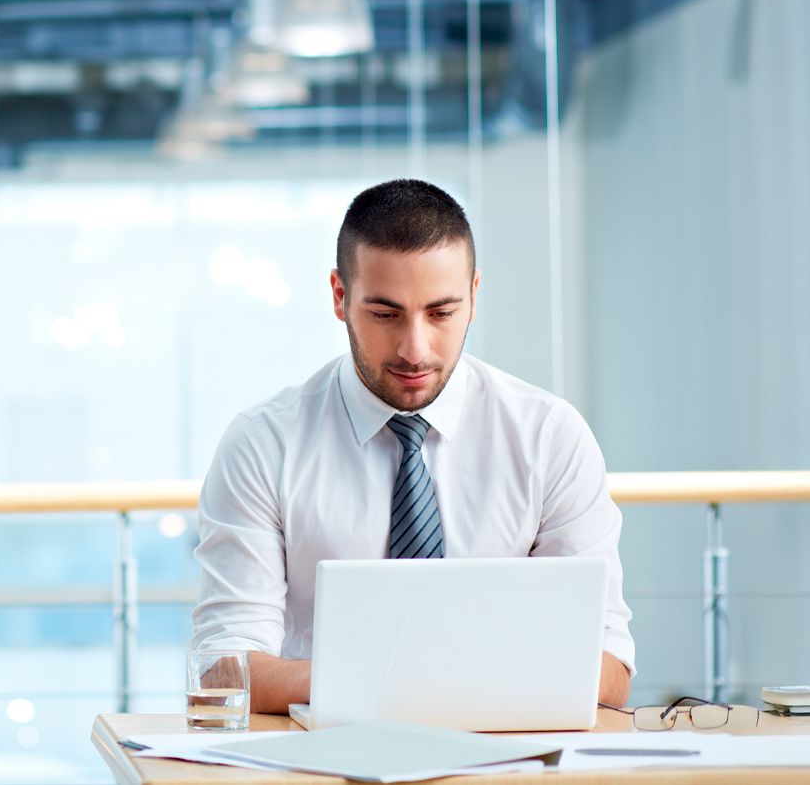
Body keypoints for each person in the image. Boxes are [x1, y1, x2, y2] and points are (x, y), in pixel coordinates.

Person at [191, 178, 634, 712]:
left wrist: (406, 683)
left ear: (474, 296)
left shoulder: (549, 437)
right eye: (385, 314)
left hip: (507, 758)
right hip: (322, 759)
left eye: (442, 313)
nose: (414, 349)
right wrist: (397, 685)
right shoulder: (263, 445)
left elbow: (608, 664)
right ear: (339, 297)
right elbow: (225, 667)